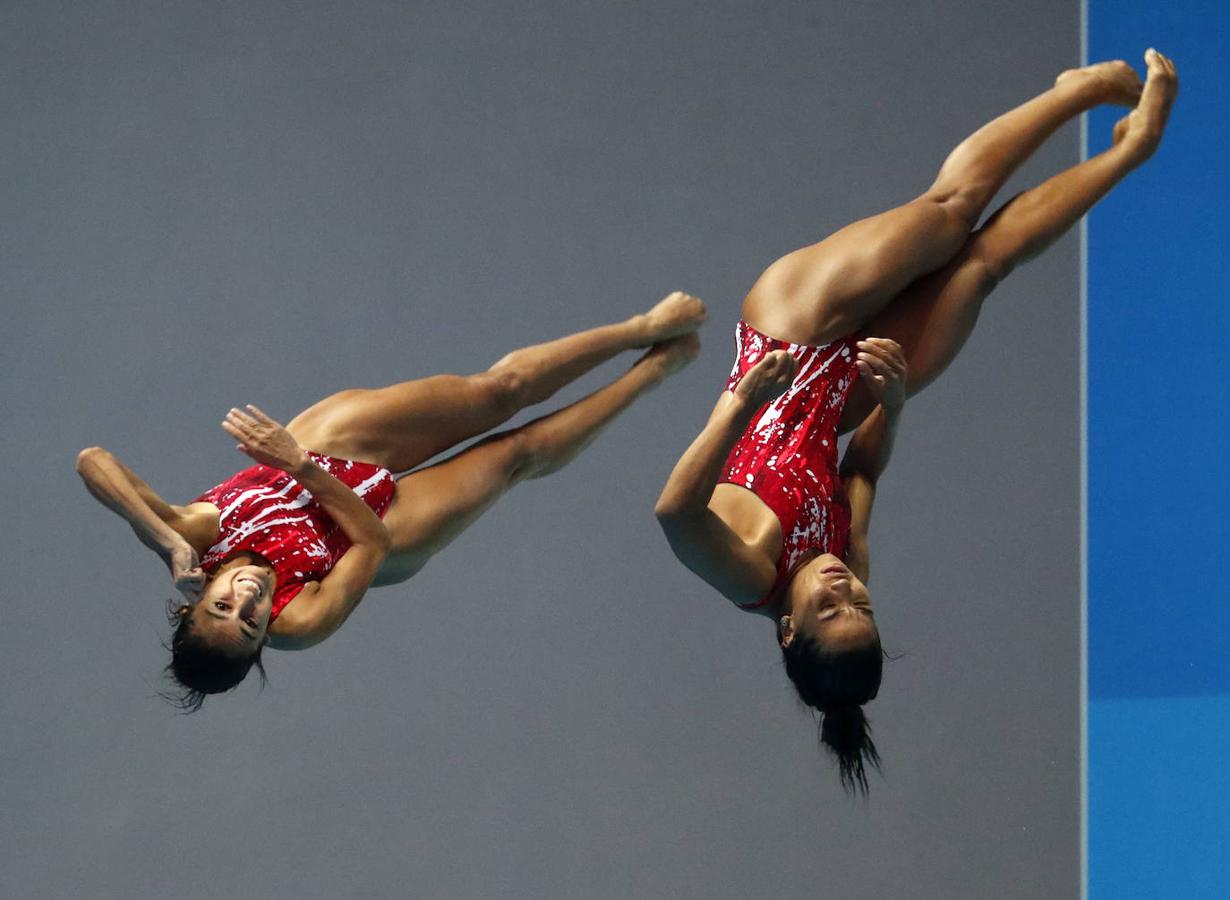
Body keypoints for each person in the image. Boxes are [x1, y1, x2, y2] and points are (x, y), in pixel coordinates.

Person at [655, 52, 1178, 793]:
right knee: (982, 266)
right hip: (849, 398)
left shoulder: (747, 571)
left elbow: (674, 512)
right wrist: (892, 405)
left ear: (789, 630)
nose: (842, 585)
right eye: (861, 604)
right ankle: (1133, 149)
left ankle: (1074, 95)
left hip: (783, 335)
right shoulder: (847, 562)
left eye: (829, 606)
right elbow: (861, 470)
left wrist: (739, 403)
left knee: (950, 214)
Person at [78, 291, 706, 710]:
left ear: (194, 602)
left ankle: (640, 329)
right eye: (250, 622)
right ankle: (650, 372)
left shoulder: (192, 539)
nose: (247, 598)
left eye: (222, 604)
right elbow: (371, 544)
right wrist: (296, 463)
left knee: (496, 392)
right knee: (515, 455)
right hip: (371, 529)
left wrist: (162, 538)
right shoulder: (300, 622)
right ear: (264, 639)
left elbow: (93, 461)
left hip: (327, 452)